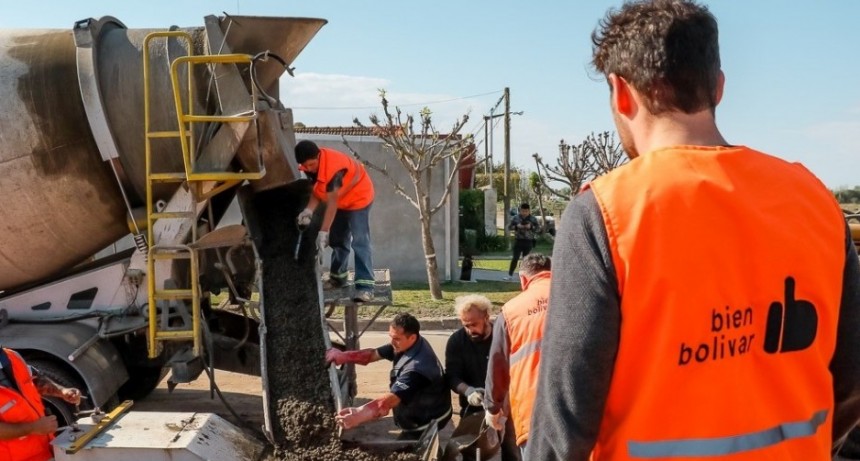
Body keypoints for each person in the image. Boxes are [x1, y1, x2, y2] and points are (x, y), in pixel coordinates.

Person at [527, 1, 860, 460]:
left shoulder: (604, 213)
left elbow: (562, 430)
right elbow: (851, 381)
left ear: (621, 93)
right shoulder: (815, 201)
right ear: (718, 87)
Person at [325, 313, 452, 438]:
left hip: (426, 418)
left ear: (412, 337)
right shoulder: (407, 343)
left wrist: (358, 414)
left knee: (408, 450)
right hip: (425, 405)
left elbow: (388, 402)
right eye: (391, 337)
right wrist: (343, 356)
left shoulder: (417, 369)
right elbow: (372, 355)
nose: (392, 342)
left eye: (396, 339)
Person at [485, 253, 551, 456]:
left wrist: (493, 407)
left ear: (523, 279)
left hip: (533, 413)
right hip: (580, 410)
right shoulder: (579, 297)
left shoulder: (511, 311)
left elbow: (498, 363)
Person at [295, 140, 376, 302]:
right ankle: (338, 278)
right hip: (341, 200)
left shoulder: (334, 168)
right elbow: (318, 190)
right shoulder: (310, 165)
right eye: (306, 166)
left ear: (318, 156)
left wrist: (323, 232)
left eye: (311, 164)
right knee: (339, 240)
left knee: (360, 241)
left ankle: (366, 288)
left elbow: (331, 203)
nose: (309, 169)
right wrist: (308, 210)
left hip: (359, 198)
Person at [445, 295, 521, 461]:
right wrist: (469, 392)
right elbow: (452, 376)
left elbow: (517, 372)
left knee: (512, 450)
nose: (470, 330)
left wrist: (501, 399)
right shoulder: (457, 342)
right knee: (471, 452)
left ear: (486, 316)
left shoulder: (503, 339)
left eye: (474, 324)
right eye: (466, 325)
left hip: (506, 407)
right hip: (473, 408)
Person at [0, 348, 82, 461]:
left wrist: (62, 391)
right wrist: (33, 428)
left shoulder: (11, 356)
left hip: (46, 450)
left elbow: (34, 380)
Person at [506, 203, 540, 280]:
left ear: (529, 211)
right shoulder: (516, 218)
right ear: (520, 210)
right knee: (515, 258)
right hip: (518, 241)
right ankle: (510, 275)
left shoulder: (533, 219)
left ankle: (524, 276)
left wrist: (531, 226)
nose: (524, 213)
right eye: (523, 211)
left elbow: (538, 229)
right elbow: (509, 227)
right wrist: (516, 226)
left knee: (526, 260)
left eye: (526, 211)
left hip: (529, 241)